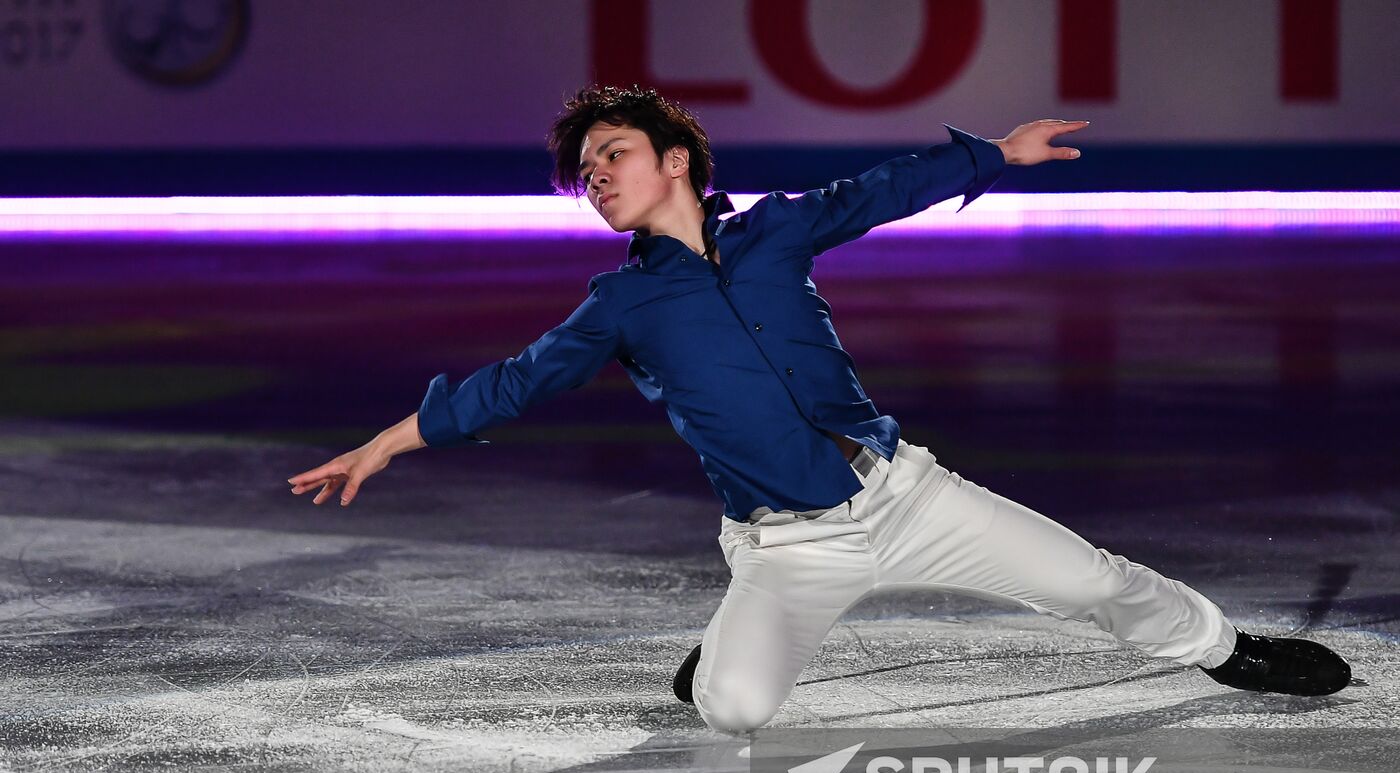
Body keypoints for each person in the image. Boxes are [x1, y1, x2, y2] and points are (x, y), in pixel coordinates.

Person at [288, 85, 1353, 734]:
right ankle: (718, 653)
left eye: (610, 153)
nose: (594, 174)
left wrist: (995, 153)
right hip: (789, 547)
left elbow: (877, 189)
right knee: (738, 711)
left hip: (904, 494)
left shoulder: (773, 235)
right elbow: (511, 384)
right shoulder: (618, 306)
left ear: (676, 160)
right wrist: (387, 442)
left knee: (1092, 581)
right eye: (584, 169)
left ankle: (1224, 651)